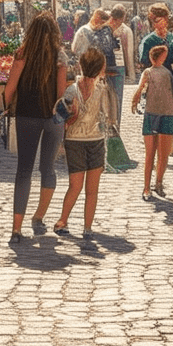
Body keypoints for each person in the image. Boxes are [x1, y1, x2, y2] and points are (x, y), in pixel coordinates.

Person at [3, 12, 67, 243]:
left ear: (31, 32)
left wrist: (6, 106)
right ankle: (38, 217)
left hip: (26, 116)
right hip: (52, 119)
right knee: (48, 169)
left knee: (24, 170)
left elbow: (9, 89)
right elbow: (61, 96)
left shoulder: (22, 55)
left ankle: (16, 229)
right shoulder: (60, 58)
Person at [53, 47, 115, 242]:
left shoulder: (71, 90)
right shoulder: (102, 90)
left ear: (80, 65)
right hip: (95, 141)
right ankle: (87, 227)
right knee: (92, 189)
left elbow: (59, 116)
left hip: (74, 142)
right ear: (99, 70)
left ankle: (63, 221)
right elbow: (107, 116)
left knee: (74, 186)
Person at [131, 44, 173, 200]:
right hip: (158, 114)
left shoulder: (163, 73)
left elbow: (140, 89)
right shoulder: (153, 72)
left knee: (157, 154)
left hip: (162, 114)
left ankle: (154, 184)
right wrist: (135, 99)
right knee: (155, 154)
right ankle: (151, 185)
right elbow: (140, 89)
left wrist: (135, 100)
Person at [138, 2, 173, 100]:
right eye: (151, 20)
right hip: (154, 91)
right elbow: (144, 67)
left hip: (172, 91)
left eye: (156, 20)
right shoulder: (147, 42)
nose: (153, 24)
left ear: (166, 18)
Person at [107, 5, 136, 126]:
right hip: (118, 68)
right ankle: (115, 124)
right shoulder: (123, 30)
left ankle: (114, 125)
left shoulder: (121, 29)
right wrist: (131, 73)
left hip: (114, 67)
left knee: (113, 99)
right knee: (115, 99)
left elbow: (129, 51)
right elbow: (129, 52)